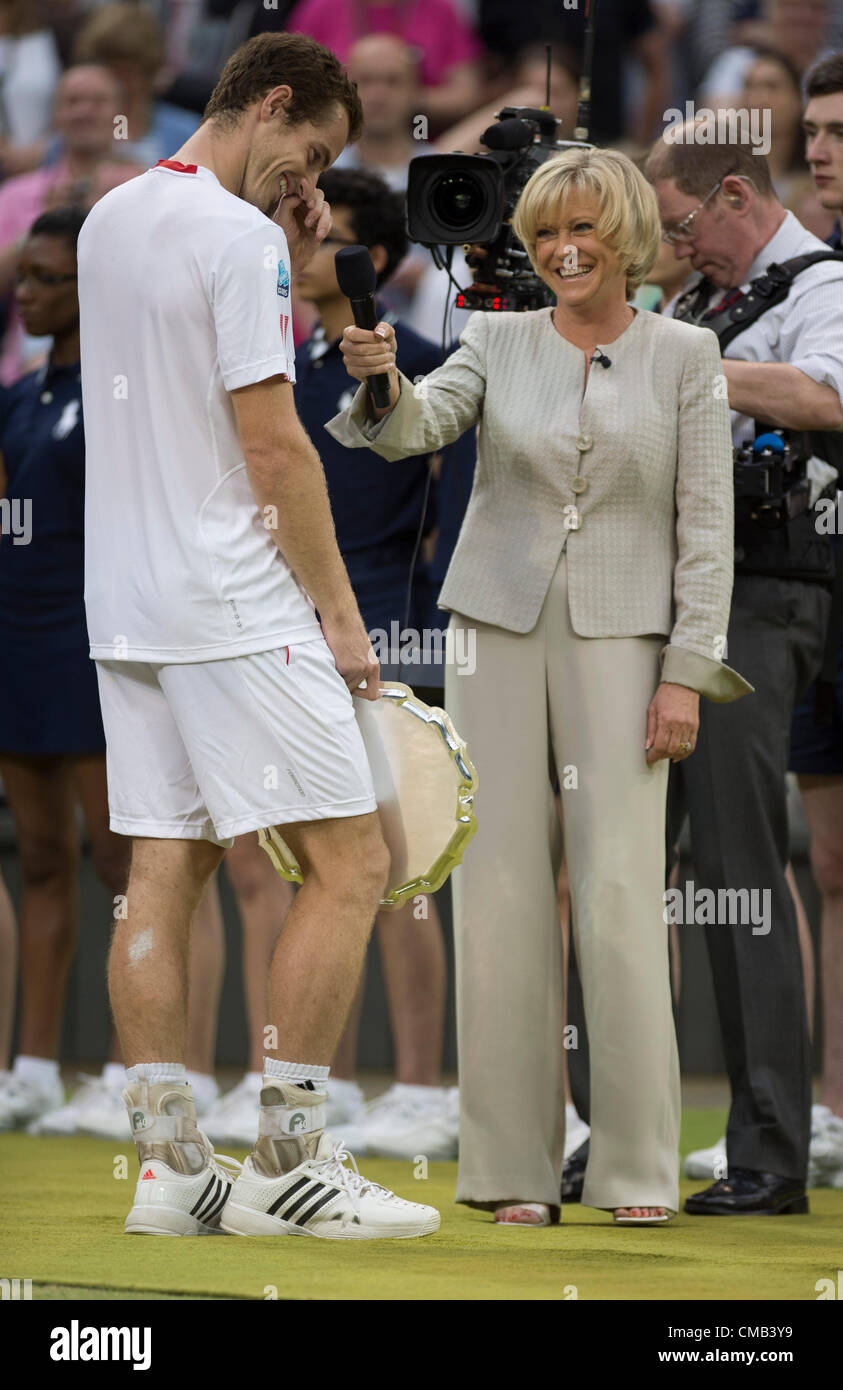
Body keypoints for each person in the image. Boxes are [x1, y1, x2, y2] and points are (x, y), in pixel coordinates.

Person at [328, 145, 750, 1226]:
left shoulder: (686, 353)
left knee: (618, 896)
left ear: (627, 240)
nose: (563, 250)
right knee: (501, 893)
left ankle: (637, 1169)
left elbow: (708, 532)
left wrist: (686, 677)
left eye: (585, 231)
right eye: (546, 231)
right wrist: (378, 372)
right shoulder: (495, 336)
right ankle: (511, 1166)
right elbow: (416, 428)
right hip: (494, 630)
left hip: (628, 643)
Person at [78, 30, 439, 1240]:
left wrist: (276, 247)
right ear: (274, 102)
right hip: (234, 597)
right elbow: (274, 447)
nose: (314, 179)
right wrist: (341, 618)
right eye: (314, 149)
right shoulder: (237, 242)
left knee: (160, 872)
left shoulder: (106, 218)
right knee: (354, 863)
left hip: (124, 608)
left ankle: (172, 1172)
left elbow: (184, 382)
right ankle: (291, 1163)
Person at [647, 125, 843, 1215]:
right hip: (668, 600)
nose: (681, 256)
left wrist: (681, 368)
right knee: (640, 868)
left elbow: (828, 398)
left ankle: (768, 1147)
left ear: (732, 192)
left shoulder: (823, 285)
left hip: (765, 594)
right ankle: (625, 1129)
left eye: (683, 231)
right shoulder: (691, 306)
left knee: (736, 863)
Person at [0, 208, 224, 1136]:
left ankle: (151, 1071)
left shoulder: (126, 393)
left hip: (94, 640)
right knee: (42, 857)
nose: (27, 294)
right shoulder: (17, 395)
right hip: (16, 637)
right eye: (23, 278)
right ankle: (37, 1065)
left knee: (121, 858)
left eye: (46, 279)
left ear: (85, 289)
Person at [294, 165, 462, 1159]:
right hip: (294, 629)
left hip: (387, 630)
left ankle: (421, 1086)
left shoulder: (430, 362)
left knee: (402, 870)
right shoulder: (285, 364)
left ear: (377, 264)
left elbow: (447, 515)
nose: (300, 251)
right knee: (319, 864)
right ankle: (341, 1086)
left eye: (326, 239)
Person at [0, 63, 142, 385]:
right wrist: (42, 231)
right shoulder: (17, 193)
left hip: (115, 371)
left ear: (120, 112)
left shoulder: (143, 188)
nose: (84, 112)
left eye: (97, 101)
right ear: (55, 114)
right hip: (24, 374)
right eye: (73, 101)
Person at [286, 0, 483, 129]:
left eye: (391, 82)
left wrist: (405, 98)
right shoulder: (320, 7)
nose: (378, 93)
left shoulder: (440, 10)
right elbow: (293, 85)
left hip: (418, 138)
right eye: (367, 82)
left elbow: (465, 94)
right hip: (334, 140)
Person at [72, 2, 199, 167]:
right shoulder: (78, 125)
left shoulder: (187, 134)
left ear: (148, 73)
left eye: (127, 72)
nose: (119, 83)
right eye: (111, 71)